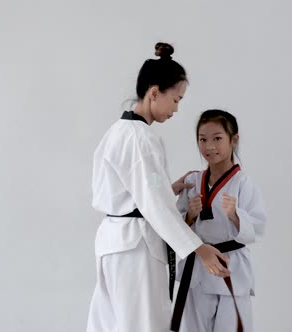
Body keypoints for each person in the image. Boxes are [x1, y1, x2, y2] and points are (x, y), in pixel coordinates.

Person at [86, 43, 231, 332]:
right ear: (154, 93)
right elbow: (153, 204)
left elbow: (135, 189)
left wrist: (169, 187)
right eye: (176, 99)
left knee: (113, 323)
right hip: (134, 247)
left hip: (113, 243)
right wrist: (198, 248)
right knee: (142, 324)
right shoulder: (142, 138)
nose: (177, 108)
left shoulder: (117, 131)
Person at [173, 109, 267, 332]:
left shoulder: (243, 183)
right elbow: (173, 226)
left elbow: (258, 226)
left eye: (217, 138)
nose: (209, 146)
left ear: (234, 140)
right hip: (197, 267)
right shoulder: (193, 180)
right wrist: (189, 216)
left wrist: (235, 215)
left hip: (230, 267)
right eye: (202, 139)